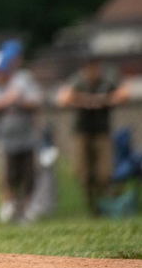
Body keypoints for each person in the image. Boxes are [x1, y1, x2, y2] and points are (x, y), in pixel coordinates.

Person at [58, 57, 128, 215]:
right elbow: (62, 99)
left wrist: (103, 100)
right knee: (82, 173)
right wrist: (85, 101)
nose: (93, 71)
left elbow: (124, 94)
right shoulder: (78, 82)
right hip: (81, 133)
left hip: (102, 132)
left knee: (105, 173)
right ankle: (93, 206)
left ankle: (107, 204)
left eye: (96, 67)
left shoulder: (105, 82)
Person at [0, 41, 42, 224]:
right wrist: (8, 99)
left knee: (29, 174)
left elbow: (36, 101)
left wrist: (21, 100)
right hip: (5, 139)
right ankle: (10, 207)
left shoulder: (23, 79)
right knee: (8, 175)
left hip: (27, 137)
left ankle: (26, 209)